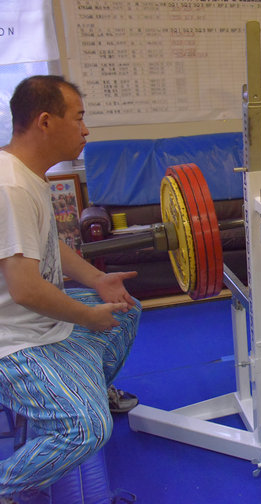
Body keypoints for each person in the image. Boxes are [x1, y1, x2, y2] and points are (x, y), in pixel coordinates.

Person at [0, 76, 141, 497]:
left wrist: (97, 280)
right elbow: (25, 290)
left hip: (33, 320)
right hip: (13, 340)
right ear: (45, 121)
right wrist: (87, 316)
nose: (85, 130)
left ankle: (84, 388)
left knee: (125, 309)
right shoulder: (10, 186)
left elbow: (47, 244)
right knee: (87, 429)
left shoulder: (28, 174)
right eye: (78, 118)